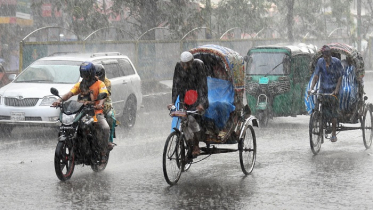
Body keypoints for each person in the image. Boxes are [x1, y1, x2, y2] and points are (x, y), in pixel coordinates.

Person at [52, 62, 110, 161]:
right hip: (81, 112)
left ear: (92, 73)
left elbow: (104, 94)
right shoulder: (80, 85)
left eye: (87, 74)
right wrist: (59, 100)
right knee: (67, 126)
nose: (85, 77)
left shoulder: (100, 84)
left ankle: (103, 151)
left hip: (95, 112)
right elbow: (69, 94)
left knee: (105, 127)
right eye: (83, 74)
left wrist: (99, 103)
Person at [168, 51, 209, 157]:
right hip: (185, 97)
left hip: (198, 97)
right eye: (183, 64)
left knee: (192, 119)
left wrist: (201, 103)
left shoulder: (198, 65)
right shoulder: (178, 66)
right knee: (183, 120)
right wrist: (172, 102)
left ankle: (196, 145)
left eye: (187, 64)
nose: (185, 66)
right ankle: (188, 141)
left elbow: (203, 87)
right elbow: (176, 85)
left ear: (191, 62)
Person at [308, 45, 343, 142]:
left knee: (333, 113)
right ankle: (321, 130)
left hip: (333, 91)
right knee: (320, 109)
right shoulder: (320, 62)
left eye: (327, 56)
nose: (326, 58)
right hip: (323, 90)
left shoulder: (336, 62)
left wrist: (336, 90)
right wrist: (311, 88)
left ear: (330, 54)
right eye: (324, 56)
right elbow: (316, 76)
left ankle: (333, 133)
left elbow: (340, 77)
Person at [95, 64, 116, 150]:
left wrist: (99, 103)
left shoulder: (107, 83)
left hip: (104, 101)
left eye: (97, 75)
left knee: (110, 116)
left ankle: (109, 140)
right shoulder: (88, 81)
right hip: (91, 102)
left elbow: (105, 95)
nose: (95, 77)